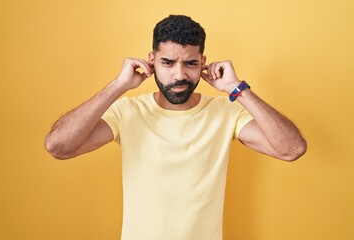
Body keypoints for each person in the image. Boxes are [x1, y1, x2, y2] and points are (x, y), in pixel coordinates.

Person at [45, 15, 306, 240]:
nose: (179, 75)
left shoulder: (226, 113)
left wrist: (237, 89)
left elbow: (291, 149)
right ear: (151, 61)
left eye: (190, 63)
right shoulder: (128, 112)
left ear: (203, 62)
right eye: (168, 62)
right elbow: (59, 147)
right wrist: (118, 86)